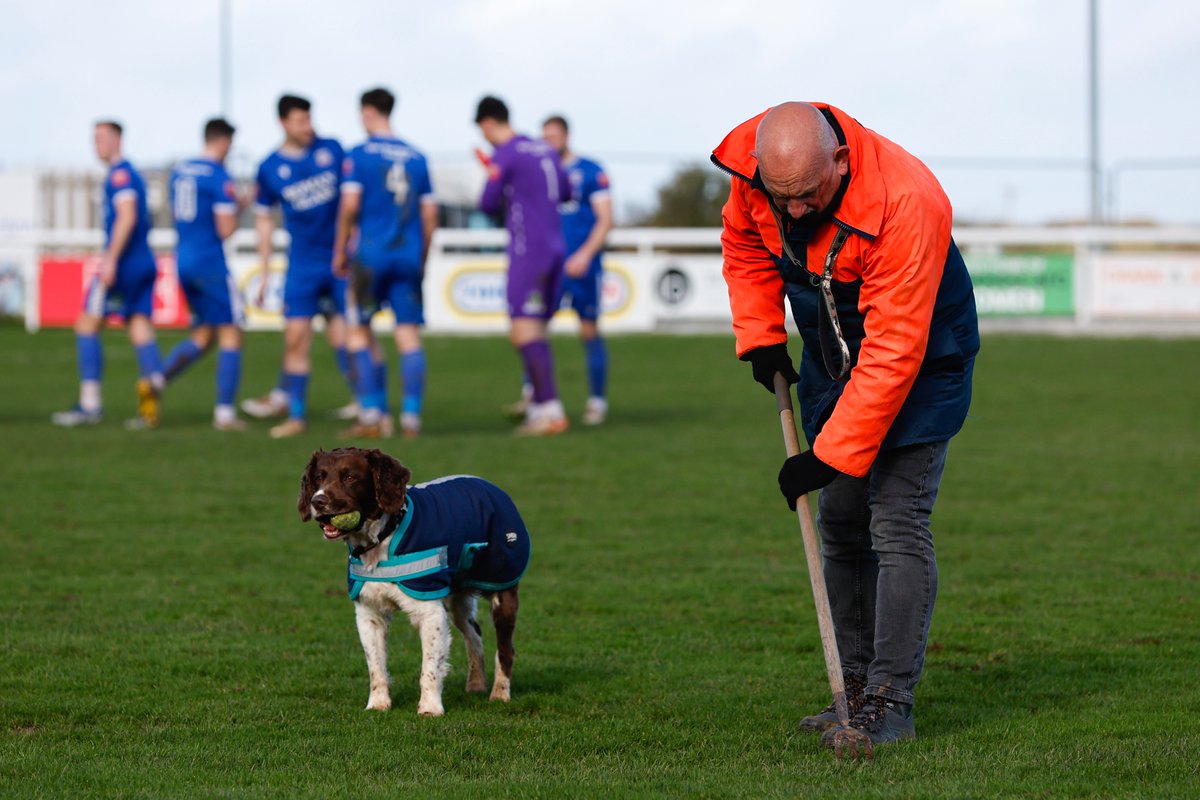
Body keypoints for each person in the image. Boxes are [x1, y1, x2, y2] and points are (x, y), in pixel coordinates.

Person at [711, 102, 979, 749]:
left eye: (807, 196)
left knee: (894, 520)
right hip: (832, 350)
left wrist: (827, 455)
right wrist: (761, 334)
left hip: (921, 356)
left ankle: (889, 701)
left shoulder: (907, 198)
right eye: (783, 198)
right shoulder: (759, 175)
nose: (794, 212)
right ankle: (851, 688)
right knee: (839, 522)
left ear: (839, 160)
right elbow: (745, 245)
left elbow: (893, 355)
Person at [243, 95, 354, 438]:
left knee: (349, 336)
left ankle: (368, 407)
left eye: (309, 119)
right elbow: (263, 221)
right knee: (295, 337)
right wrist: (264, 272)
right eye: (300, 121)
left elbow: (355, 200)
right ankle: (296, 415)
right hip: (302, 265)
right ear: (283, 123)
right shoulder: (269, 167)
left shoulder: (332, 150)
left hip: (340, 260)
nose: (308, 127)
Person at [333, 87, 438, 439]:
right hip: (407, 255)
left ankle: (374, 414)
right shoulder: (417, 157)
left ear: (366, 112)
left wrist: (340, 250)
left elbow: (349, 206)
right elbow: (430, 215)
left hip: (370, 256)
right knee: (408, 335)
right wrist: (421, 256)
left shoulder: (359, 155)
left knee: (359, 330)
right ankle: (412, 417)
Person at [52, 121, 165, 429]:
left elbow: (126, 216)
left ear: (117, 140)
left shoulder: (120, 174)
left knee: (86, 323)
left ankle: (90, 405)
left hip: (125, 261)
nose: (96, 144)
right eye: (94, 138)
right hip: (143, 259)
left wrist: (111, 259)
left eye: (101, 138)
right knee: (140, 327)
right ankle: (149, 409)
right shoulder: (131, 173)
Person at [475, 95, 572, 436]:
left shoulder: (506, 153)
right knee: (537, 330)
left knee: (523, 331)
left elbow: (486, 204)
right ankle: (538, 404)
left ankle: (550, 411)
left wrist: (496, 180)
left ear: (488, 124)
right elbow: (565, 191)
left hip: (528, 250)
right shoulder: (543, 148)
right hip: (556, 247)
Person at [161, 117, 247, 431]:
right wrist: (240, 207)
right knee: (232, 332)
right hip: (210, 261)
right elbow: (225, 229)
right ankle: (225, 413)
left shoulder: (180, 171)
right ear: (223, 141)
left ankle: (156, 379)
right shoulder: (218, 175)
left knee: (204, 334)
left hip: (183, 257)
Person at [541, 115, 613, 426]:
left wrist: (584, 254)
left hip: (583, 266)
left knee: (588, 331)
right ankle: (536, 397)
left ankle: (596, 402)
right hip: (549, 267)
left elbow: (605, 218)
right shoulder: (542, 174)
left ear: (566, 135)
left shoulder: (590, 171)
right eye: (545, 137)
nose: (550, 141)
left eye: (554, 135)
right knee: (535, 330)